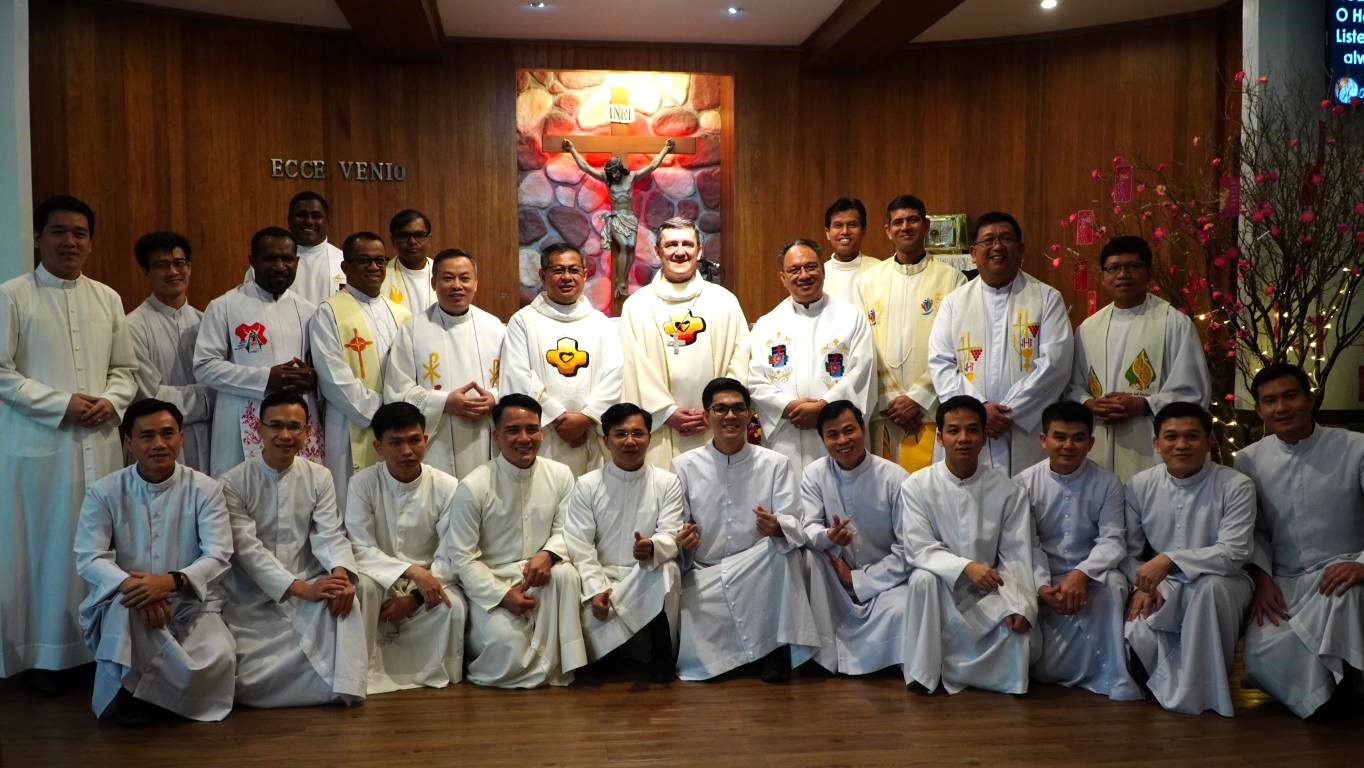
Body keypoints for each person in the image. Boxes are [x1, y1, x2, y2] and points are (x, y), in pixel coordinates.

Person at [1, 195, 138, 692]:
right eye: (58, 231)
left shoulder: (107, 298)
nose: (70, 241)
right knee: (44, 550)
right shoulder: (12, 295)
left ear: (91, 242)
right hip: (40, 447)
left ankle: (95, 653)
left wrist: (111, 400)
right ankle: (41, 657)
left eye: (80, 233)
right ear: (38, 238)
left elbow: (125, 369)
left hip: (98, 445)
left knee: (98, 547)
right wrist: (61, 404)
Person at [73, 399, 235, 724]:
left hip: (190, 601)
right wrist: (136, 588)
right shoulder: (103, 491)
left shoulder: (206, 489)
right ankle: (129, 696)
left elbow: (219, 553)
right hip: (127, 600)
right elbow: (89, 556)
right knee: (124, 623)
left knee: (219, 654)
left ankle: (162, 699)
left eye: (167, 433)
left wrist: (170, 582)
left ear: (181, 438)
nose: (159, 443)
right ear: (128, 442)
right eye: (147, 436)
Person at [219, 392, 366, 708]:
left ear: (307, 431)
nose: (285, 435)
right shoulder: (233, 482)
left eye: (294, 427)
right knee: (242, 673)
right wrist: (300, 589)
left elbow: (330, 533)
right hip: (251, 594)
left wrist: (340, 575)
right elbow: (247, 550)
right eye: (276, 426)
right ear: (258, 428)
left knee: (347, 600)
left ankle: (342, 688)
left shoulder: (319, 476)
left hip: (308, 578)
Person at [671, 378, 823, 683]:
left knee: (783, 550)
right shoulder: (683, 465)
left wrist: (777, 526)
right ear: (707, 415)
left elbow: (795, 522)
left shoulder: (775, 463)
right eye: (721, 409)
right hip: (706, 571)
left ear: (749, 414)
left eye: (738, 408)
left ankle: (775, 651)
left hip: (759, 570)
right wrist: (684, 539)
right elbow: (678, 523)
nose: (730, 416)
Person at [1235, 364, 1364, 718]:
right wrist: (1262, 579)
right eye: (1270, 401)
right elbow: (1255, 530)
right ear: (1259, 409)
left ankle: (1346, 695)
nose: (1281, 408)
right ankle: (1324, 698)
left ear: (1310, 399)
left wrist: (1361, 564)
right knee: (1263, 654)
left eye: (1290, 396)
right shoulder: (1248, 460)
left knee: (1346, 599)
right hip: (1285, 581)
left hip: (1345, 568)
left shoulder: (1355, 447)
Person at [443, 394, 587, 687]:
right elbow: (462, 557)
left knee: (567, 574)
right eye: (513, 430)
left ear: (541, 433)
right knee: (505, 652)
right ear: (496, 436)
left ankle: (566, 665)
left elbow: (569, 529)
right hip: (493, 583)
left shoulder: (560, 475)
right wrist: (502, 595)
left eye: (532, 429)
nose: (524, 438)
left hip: (542, 577)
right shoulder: (473, 486)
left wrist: (548, 555)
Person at [900, 395, 1039, 695]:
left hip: (987, 591)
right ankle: (924, 674)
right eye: (953, 430)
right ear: (940, 438)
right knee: (922, 577)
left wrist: (1020, 604)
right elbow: (918, 547)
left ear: (984, 435)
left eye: (972, 430)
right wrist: (966, 568)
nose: (963, 438)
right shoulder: (916, 486)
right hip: (940, 590)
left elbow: (1016, 554)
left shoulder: (1008, 490)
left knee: (1018, 638)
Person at [1123, 401, 1254, 717]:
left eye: (1192, 436)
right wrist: (1143, 585)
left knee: (1209, 590)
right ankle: (1170, 688)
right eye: (1171, 437)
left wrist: (1170, 559)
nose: (1181, 445)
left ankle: (1205, 694)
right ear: (1156, 443)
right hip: (1163, 582)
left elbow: (1234, 552)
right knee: (1138, 630)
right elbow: (1128, 551)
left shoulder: (1236, 485)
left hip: (1225, 579)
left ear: (1208, 441)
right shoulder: (1140, 485)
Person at [928, 211, 1073, 475]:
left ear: (1021, 249)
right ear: (973, 253)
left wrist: (1008, 412)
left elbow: (1055, 365)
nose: (997, 246)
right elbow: (941, 363)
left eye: (1006, 238)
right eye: (988, 240)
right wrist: (979, 412)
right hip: (969, 428)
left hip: (1024, 428)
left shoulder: (1046, 299)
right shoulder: (953, 303)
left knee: (1026, 494)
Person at [1015, 400, 1141, 701]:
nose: (1068, 446)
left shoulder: (1108, 483)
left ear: (1091, 442)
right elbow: (1026, 542)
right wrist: (1042, 585)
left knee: (1113, 584)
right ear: (1043, 439)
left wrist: (1081, 573)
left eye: (1078, 438)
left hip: (1091, 572)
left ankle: (1109, 674)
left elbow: (1113, 540)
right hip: (1040, 573)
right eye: (1059, 437)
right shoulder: (1023, 483)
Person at [347, 402, 466, 694]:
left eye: (414, 440)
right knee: (362, 589)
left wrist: (415, 596)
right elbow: (360, 546)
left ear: (426, 439)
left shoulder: (447, 486)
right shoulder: (362, 484)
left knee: (453, 608)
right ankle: (365, 673)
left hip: (430, 579)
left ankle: (430, 673)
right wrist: (411, 572)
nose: (407, 451)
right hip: (380, 577)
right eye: (396, 442)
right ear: (378, 446)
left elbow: (452, 550)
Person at [1068, 235, 1209, 481]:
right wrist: (1089, 403)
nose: (1123, 274)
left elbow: (1193, 392)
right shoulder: (1088, 329)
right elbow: (1072, 386)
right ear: (1102, 277)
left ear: (1149, 273)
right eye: (1113, 268)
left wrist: (1144, 405)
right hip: (1098, 444)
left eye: (1133, 266)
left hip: (1149, 446)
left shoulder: (1174, 323)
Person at [563, 403, 684, 682]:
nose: (630, 441)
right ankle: (609, 653)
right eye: (620, 434)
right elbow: (579, 544)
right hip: (601, 575)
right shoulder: (587, 484)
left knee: (667, 569)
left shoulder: (667, 482)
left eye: (637, 433)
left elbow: (671, 533)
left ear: (649, 438)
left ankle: (662, 654)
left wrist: (652, 547)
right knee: (573, 579)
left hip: (644, 575)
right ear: (606, 441)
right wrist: (596, 589)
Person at [619, 217, 750, 468]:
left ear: (699, 251)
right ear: (657, 251)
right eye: (671, 245)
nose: (680, 252)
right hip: (661, 429)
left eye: (687, 244)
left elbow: (741, 356)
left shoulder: (724, 301)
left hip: (716, 424)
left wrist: (720, 409)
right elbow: (632, 366)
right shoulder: (637, 306)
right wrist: (666, 412)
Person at [195, 226, 322, 477]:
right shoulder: (224, 306)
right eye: (270, 258)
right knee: (242, 491)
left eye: (287, 259)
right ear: (252, 261)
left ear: (297, 262)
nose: (280, 266)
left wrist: (312, 378)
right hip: (241, 419)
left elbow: (318, 366)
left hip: (296, 422)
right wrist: (265, 378)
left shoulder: (309, 311)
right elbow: (204, 366)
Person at [799, 400, 912, 676]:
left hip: (886, 581)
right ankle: (822, 659)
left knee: (903, 609)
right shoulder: (814, 474)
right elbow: (808, 527)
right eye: (832, 435)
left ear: (863, 429)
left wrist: (858, 579)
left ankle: (879, 662)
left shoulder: (895, 478)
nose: (842, 441)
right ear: (823, 440)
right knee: (807, 559)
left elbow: (908, 548)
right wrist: (828, 536)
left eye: (849, 431)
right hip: (835, 579)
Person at [855, 195, 967, 467]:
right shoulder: (868, 282)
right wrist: (892, 400)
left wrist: (917, 398)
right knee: (886, 487)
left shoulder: (952, 279)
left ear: (926, 225)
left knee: (929, 487)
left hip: (929, 411)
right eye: (898, 222)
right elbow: (864, 347)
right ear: (888, 230)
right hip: (886, 412)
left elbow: (957, 347)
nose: (905, 227)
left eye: (913, 220)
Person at [749, 239, 874, 471]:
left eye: (811, 267)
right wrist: (787, 407)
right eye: (794, 270)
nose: (804, 275)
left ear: (823, 271)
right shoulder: (767, 324)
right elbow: (754, 380)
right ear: (783, 277)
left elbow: (862, 371)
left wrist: (823, 408)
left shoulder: (851, 318)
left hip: (837, 432)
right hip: (786, 434)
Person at [308, 231, 411, 508]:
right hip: (349, 423)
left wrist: (398, 410)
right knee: (352, 504)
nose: (374, 267)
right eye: (364, 261)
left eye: (380, 260)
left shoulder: (400, 314)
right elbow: (332, 377)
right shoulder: (329, 312)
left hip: (396, 423)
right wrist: (382, 412)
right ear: (345, 266)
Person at [501, 243, 623, 475]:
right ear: (542, 275)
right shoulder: (523, 321)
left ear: (584, 274)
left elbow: (615, 375)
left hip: (589, 434)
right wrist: (557, 417)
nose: (567, 277)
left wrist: (587, 418)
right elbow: (516, 375)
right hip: (544, 435)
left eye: (574, 270)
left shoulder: (600, 323)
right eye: (558, 270)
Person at [383, 248, 503, 480]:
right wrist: (444, 402)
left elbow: (514, 382)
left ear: (476, 283)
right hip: (437, 445)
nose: (457, 285)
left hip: (486, 435)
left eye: (464, 278)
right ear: (433, 283)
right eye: (448, 278)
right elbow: (396, 392)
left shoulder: (495, 328)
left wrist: (494, 398)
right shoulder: (412, 331)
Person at [125, 231, 213, 472]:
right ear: (146, 271)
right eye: (161, 265)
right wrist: (210, 397)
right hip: (159, 443)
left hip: (210, 436)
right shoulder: (132, 327)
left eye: (179, 263)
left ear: (189, 267)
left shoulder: (207, 322)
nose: (173, 272)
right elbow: (150, 396)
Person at [562, 138, 674, 301]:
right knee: (625, 245)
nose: (614, 175)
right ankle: (620, 281)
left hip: (630, 218)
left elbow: (652, 166)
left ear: (620, 169)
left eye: (615, 171)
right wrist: (572, 149)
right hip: (616, 218)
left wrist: (665, 149)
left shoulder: (631, 177)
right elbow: (585, 167)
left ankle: (622, 279)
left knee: (631, 248)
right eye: (611, 172)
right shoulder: (607, 181)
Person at [245, 191, 344, 307]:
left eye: (316, 216)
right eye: (301, 215)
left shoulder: (344, 261)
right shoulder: (264, 263)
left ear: (327, 221)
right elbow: (249, 305)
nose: (309, 221)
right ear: (289, 220)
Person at [820, 197, 878, 303]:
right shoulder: (818, 274)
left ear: (863, 230)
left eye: (852, 225)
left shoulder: (879, 270)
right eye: (838, 225)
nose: (845, 231)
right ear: (827, 233)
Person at [380, 209, 436, 314]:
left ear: (429, 239)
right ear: (393, 241)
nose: (412, 242)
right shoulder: (381, 277)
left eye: (419, 235)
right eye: (404, 236)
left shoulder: (442, 272)